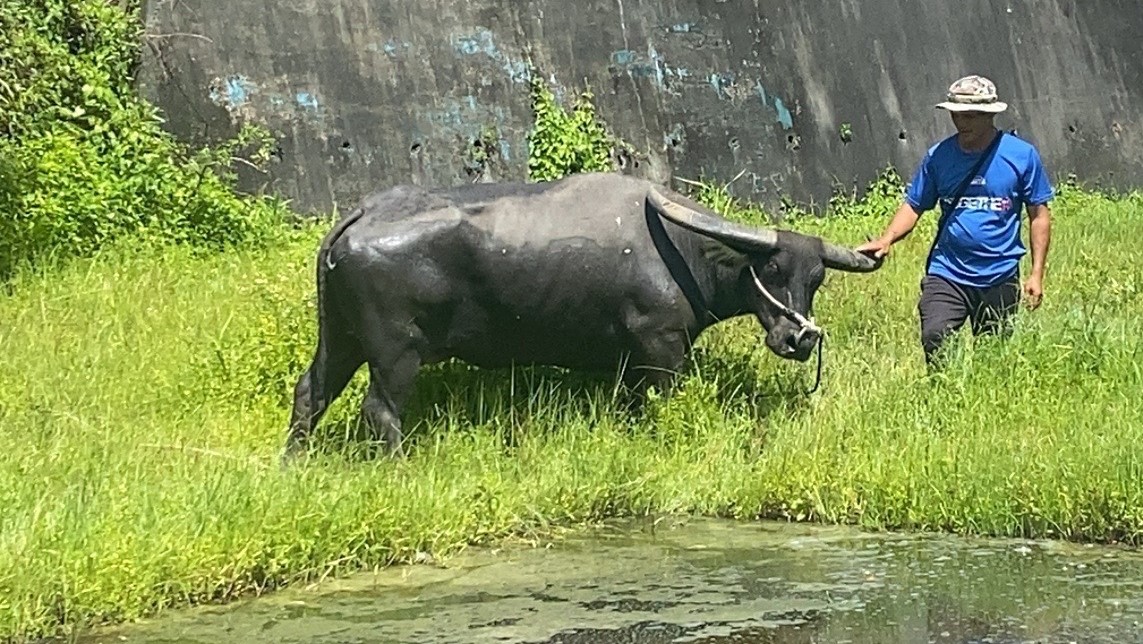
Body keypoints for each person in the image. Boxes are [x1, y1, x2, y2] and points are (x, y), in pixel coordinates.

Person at [855, 75, 1054, 366]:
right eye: (956, 114)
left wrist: (1036, 274)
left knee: (993, 358)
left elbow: (1039, 216)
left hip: (999, 275)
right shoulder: (939, 157)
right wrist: (886, 239)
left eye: (971, 115)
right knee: (935, 336)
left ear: (991, 115)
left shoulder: (1021, 156)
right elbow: (914, 205)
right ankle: (943, 396)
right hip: (947, 272)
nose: (962, 122)